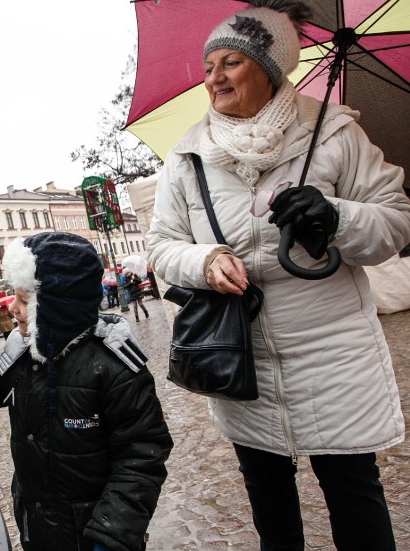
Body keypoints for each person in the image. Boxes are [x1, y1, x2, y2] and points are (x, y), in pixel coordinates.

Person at [145, 2, 410, 550]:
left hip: (334, 354)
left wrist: (336, 217)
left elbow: (396, 223)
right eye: (209, 63)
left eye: (231, 62)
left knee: (353, 491)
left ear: (269, 68)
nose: (213, 77)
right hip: (240, 356)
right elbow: (162, 246)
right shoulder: (188, 156)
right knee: (268, 495)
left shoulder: (334, 134)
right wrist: (206, 260)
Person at [0, 233, 173, 551]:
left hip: (93, 535)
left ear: (57, 305)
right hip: (37, 529)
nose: (13, 308)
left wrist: (113, 532)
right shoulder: (23, 354)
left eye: (25, 301)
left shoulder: (112, 365)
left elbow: (141, 454)